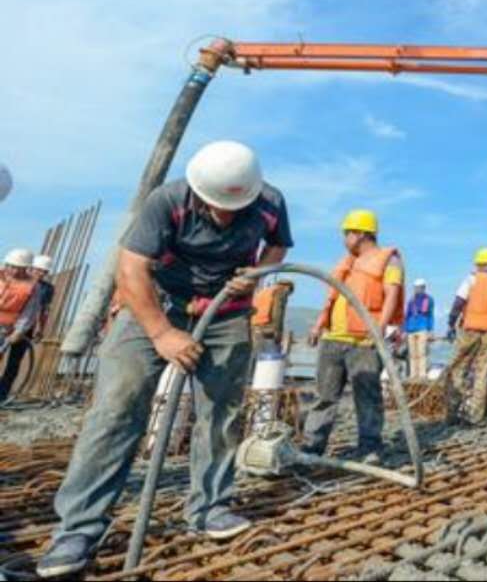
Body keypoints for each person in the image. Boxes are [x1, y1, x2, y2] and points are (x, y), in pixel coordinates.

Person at [37, 140, 292, 578]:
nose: (225, 216)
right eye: (217, 207)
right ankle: (77, 529)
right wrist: (161, 333)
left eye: (235, 209)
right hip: (155, 303)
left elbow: (278, 246)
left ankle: (210, 507)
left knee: (222, 414)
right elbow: (131, 268)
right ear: (199, 192)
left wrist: (255, 275)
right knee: (116, 409)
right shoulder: (167, 201)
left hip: (226, 313)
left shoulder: (269, 202)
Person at [302, 209, 404, 465]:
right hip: (333, 339)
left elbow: (391, 294)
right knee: (324, 398)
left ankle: (370, 448)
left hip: (364, 342)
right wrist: (318, 325)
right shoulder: (347, 262)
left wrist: (379, 328)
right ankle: (311, 448)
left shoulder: (388, 259)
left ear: (359, 234)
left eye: (346, 234)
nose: (344, 239)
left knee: (367, 397)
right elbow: (332, 298)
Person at [445, 248, 487, 426]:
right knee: (483, 372)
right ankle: (475, 416)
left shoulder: (472, 279)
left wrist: (451, 324)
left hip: (470, 329)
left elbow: (458, 302)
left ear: (478, 264)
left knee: (458, 368)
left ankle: (453, 412)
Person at [0, 248, 43, 402]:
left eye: (16, 267)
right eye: (9, 265)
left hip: (10, 327)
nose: (11, 270)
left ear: (25, 268)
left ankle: (1, 396)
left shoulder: (32, 286)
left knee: (12, 364)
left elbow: (29, 311)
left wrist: (19, 331)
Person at [250, 279, 294, 355]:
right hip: (267, 328)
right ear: (288, 288)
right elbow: (278, 313)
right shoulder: (281, 292)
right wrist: (278, 334)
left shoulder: (266, 291)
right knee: (268, 355)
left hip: (255, 326)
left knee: (256, 355)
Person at [404, 278, 435, 379]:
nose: (418, 289)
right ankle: (413, 374)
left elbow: (430, 315)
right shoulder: (411, 301)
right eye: (416, 287)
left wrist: (430, 330)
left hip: (422, 328)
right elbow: (407, 315)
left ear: (424, 288)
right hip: (411, 329)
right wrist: (405, 329)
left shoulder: (429, 300)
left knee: (422, 352)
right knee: (412, 353)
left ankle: (422, 374)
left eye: (420, 287)